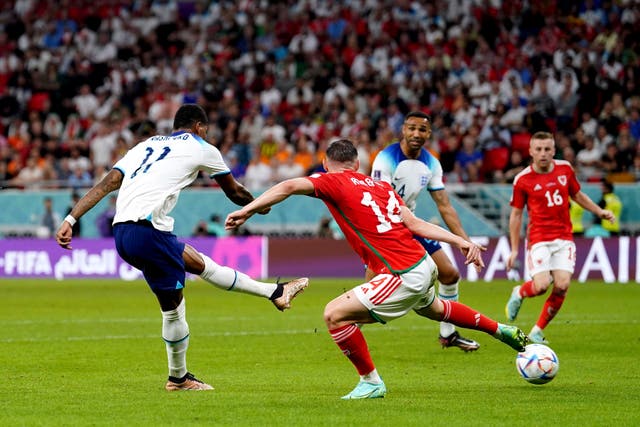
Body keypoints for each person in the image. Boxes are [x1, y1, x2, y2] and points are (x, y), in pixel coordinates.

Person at [225, 139, 528, 400]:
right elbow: (414, 223)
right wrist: (460, 241)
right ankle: (501, 330)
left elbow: (290, 185)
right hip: (422, 262)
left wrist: (247, 210)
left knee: (334, 315)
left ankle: (371, 382)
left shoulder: (332, 180)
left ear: (325, 163)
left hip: (401, 272)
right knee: (435, 309)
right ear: (357, 163)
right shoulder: (382, 187)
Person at [56, 104, 308, 391]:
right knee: (174, 310)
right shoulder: (202, 147)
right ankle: (178, 378)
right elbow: (235, 191)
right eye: (206, 129)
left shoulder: (145, 145)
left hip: (124, 231)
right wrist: (259, 205)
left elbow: (107, 183)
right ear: (199, 127)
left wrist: (71, 218)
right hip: (147, 231)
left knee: (200, 264)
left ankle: (275, 292)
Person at [369, 111, 482, 352]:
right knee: (371, 287)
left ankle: (448, 335)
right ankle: (346, 323)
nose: (416, 134)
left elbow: (445, 206)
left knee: (450, 275)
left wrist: (466, 242)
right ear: (403, 130)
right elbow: (379, 199)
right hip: (383, 225)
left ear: (429, 133)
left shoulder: (431, 163)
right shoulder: (385, 159)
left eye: (422, 130)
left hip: (411, 223)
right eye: (411, 128)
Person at [505, 131, 615, 344]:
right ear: (531, 152)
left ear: (554, 150)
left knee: (563, 285)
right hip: (539, 239)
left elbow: (577, 195)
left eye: (547, 149)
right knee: (541, 285)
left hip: (564, 237)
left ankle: (537, 330)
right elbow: (516, 215)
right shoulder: (522, 180)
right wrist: (514, 249)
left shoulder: (565, 169)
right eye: (538, 149)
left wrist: (599, 212)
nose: (543, 153)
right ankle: (519, 292)